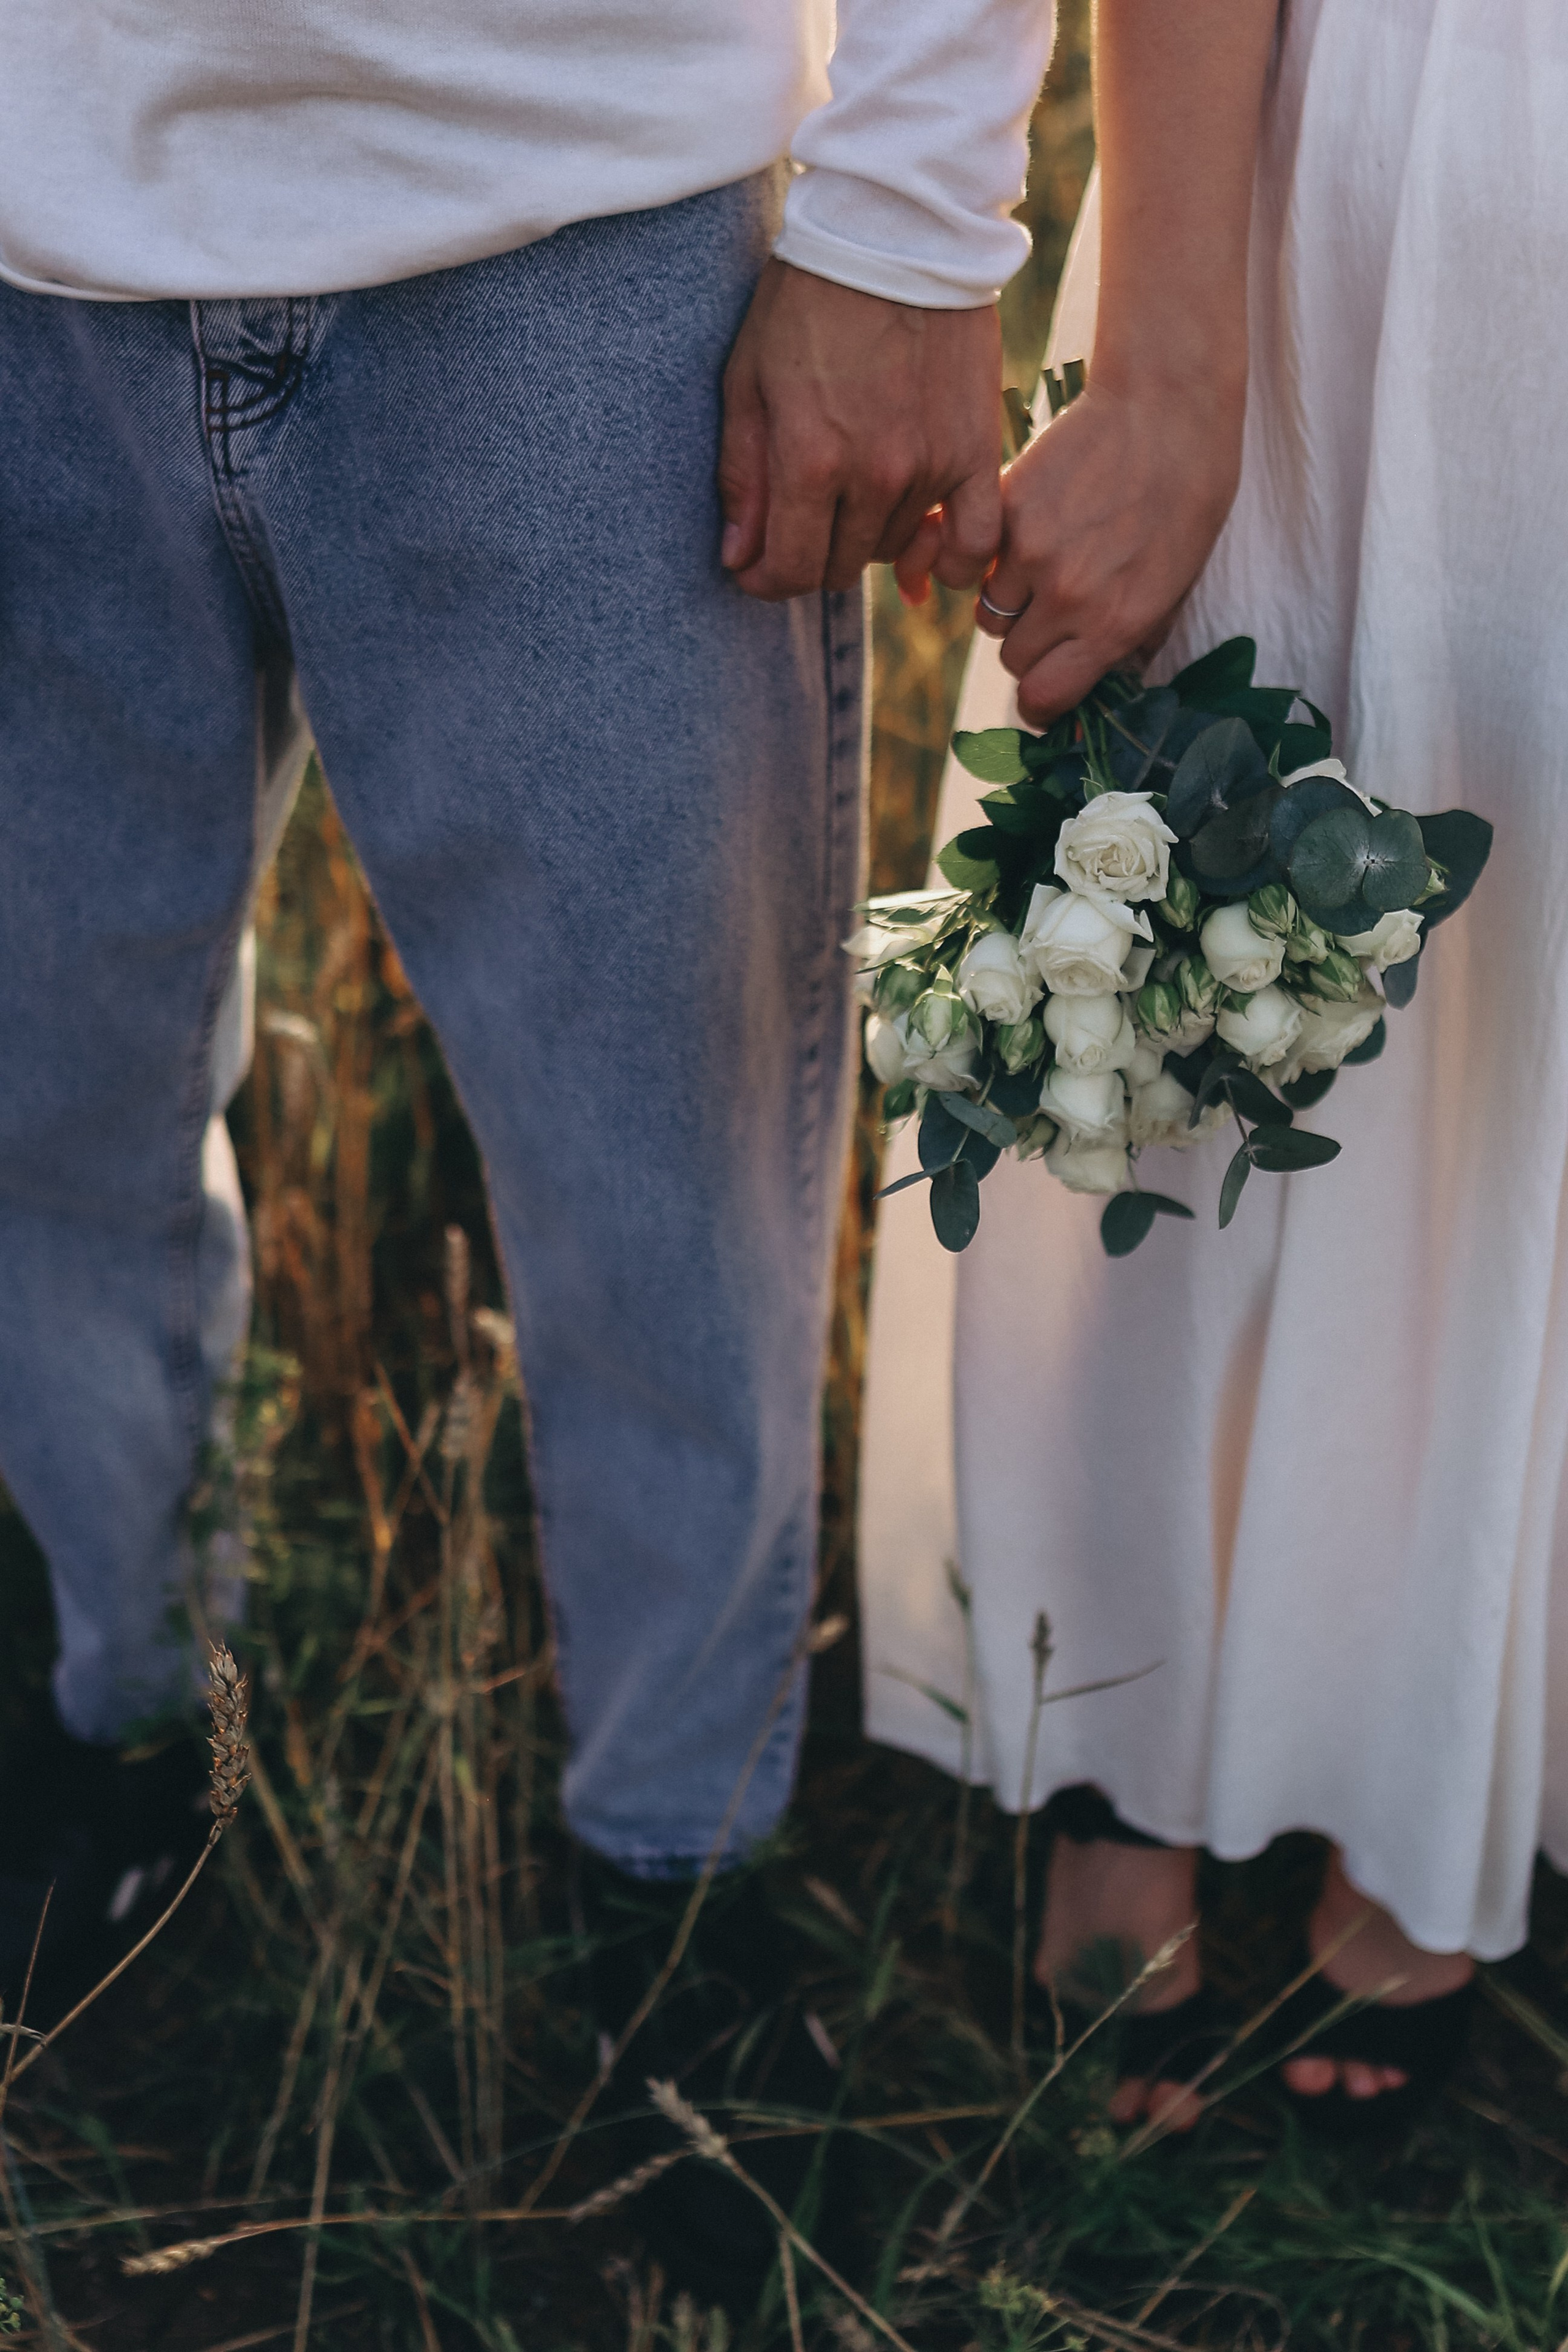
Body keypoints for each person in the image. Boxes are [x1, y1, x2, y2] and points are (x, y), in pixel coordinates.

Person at [0, 0, 1057, 2217]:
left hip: (582, 231)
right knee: (38, 1117)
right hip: (22, 245)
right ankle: (126, 1720)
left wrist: (909, 220)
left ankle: (672, 1877)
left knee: (662, 1178)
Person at [862, 0, 1568, 2136]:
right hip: (1358, 132)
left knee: (1532, 1021)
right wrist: (1173, 350)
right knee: (1175, 941)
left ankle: (1427, 1746)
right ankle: (1125, 1738)